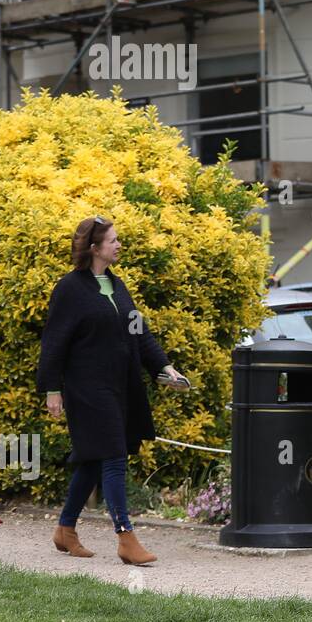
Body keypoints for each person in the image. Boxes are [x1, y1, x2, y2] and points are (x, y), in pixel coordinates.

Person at [37, 215, 187, 565]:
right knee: (114, 456)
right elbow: (53, 343)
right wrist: (51, 390)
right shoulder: (70, 289)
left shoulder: (117, 285)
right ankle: (126, 537)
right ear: (94, 247)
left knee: (92, 460)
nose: (119, 245)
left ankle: (65, 530)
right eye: (113, 240)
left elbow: (140, 332)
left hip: (121, 386)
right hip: (87, 388)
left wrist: (164, 367)